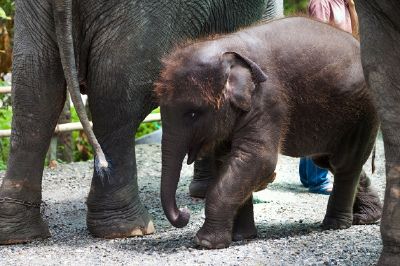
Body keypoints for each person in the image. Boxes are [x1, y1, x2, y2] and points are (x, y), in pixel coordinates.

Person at [299, 0, 358, 195]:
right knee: (321, 124)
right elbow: (318, 40)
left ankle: (309, 178)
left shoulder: (346, 4)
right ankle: (318, 181)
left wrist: (351, 7)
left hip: (341, 69)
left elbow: (354, 37)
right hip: (323, 70)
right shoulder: (321, 2)